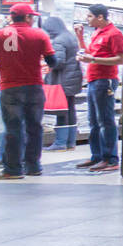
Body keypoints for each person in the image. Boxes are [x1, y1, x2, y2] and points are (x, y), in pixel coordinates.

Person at [0, 3, 57, 180]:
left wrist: (3, 68)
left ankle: (13, 169)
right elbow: (52, 61)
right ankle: (33, 166)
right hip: (34, 87)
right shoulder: (39, 35)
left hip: (10, 88)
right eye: (32, 17)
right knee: (35, 127)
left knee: (13, 128)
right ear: (27, 17)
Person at [75, 4, 123, 173]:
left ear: (100, 17)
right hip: (93, 80)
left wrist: (94, 60)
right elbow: (91, 53)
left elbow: (120, 59)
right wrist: (80, 38)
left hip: (105, 80)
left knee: (105, 120)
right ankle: (97, 156)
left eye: (89, 16)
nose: (87, 19)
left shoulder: (114, 34)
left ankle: (111, 159)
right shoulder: (97, 33)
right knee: (94, 121)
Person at [42, 15, 82, 150]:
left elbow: (58, 62)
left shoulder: (58, 41)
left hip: (62, 81)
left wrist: (46, 60)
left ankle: (60, 143)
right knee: (70, 110)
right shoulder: (70, 37)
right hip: (72, 80)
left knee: (61, 112)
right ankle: (70, 142)